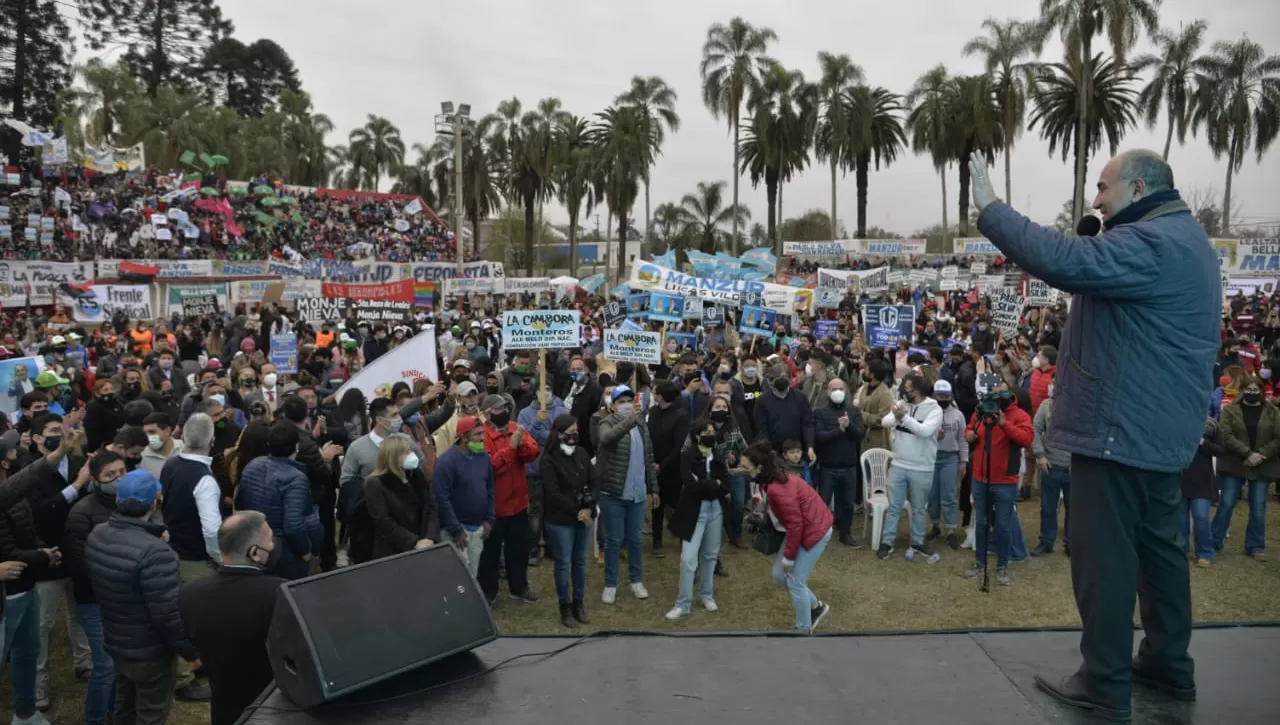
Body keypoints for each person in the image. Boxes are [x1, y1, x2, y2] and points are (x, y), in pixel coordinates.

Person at [971, 148, 1218, 719]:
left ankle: (1104, 682)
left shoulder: (1150, 244)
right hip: (1158, 434)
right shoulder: (1188, 241)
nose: (1096, 200)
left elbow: (1065, 259)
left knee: (1103, 558)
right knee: (1160, 554)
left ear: (1136, 188)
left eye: (1103, 189)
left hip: (1119, 430)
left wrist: (992, 210)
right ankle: (1166, 666)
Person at [85, 469, 201, 725]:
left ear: (117, 501)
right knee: (151, 714)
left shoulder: (97, 535)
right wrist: (191, 653)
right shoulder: (157, 553)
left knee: (124, 708)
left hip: (116, 642)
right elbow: (167, 614)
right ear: (155, 502)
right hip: (150, 653)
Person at [178, 512, 286, 725]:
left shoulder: (190, 593)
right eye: (270, 540)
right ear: (254, 552)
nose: (274, 545)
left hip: (224, 707)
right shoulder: (281, 594)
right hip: (271, 708)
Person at [62, 450, 137, 725]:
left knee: (119, 664)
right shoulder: (82, 513)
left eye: (122, 472)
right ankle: (95, 718)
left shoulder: (129, 503)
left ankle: (113, 712)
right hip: (94, 602)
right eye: (110, 475)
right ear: (94, 479)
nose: (118, 478)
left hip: (123, 600)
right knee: (105, 665)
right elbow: (79, 565)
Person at [158, 412, 222, 701]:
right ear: (212, 440)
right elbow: (211, 529)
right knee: (194, 617)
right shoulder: (204, 479)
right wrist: (220, 557)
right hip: (195, 556)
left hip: (174, 548)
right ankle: (185, 678)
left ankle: (193, 667)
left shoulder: (172, 464)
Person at [740, 443, 832, 634]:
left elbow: (796, 525)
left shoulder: (777, 488)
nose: (745, 471)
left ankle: (803, 630)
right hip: (804, 528)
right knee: (779, 574)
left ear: (760, 467)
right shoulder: (773, 478)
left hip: (815, 531)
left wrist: (789, 557)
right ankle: (816, 607)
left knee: (795, 579)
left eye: (747, 467)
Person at [234, 424, 324, 579]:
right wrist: (306, 551)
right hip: (284, 551)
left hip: (254, 544)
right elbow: (294, 525)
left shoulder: (252, 465)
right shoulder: (296, 478)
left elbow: (240, 503)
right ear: (296, 448)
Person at [595, 385, 658, 604]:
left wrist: (653, 488)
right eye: (621, 401)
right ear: (612, 406)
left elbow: (648, 458)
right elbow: (607, 439)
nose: (626, 404)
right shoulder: (605, 423)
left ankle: (636, 580)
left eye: (629, 400)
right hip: (613, 492)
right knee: (613, 540)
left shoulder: (641, 426)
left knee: (635, 540)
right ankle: (611, 584)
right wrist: (629, 420)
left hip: (637, 493)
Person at [665, 418, 729, 621]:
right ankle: (683, 603)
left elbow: (726, 484)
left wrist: (706, 482)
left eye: (712, 431)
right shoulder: (687, 456)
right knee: (688, 559)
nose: (712, 434)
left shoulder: (718, 455)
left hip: (715, 509)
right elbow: (689, 485)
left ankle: (706, 595)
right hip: (695, 510)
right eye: (707, 431)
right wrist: (713, 483)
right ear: (697, 436)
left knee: (710, 555)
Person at [878, 373, 943, 561]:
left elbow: (925, 431)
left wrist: (903, 418)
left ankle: (917, 541)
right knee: (894, 506)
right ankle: (887, 542)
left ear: (918, 390)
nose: (904, 390)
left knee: (919, 508)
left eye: (908, 387)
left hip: (923, 466)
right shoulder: (903, 404)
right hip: (899, 463)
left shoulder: (934, 409)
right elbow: (885, 422)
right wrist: (898, 414)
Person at [538, 414, 595, 628]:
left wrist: (589, 507)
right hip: (561, 519)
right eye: (570, 431)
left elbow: (594, 480)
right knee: (563, 563)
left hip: (583, 517)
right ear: (559, 433)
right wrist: (578, 511)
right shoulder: (549, 459)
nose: (574, 434)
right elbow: (553, 493)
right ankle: (565, 606)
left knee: (580, 561)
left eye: (576, 430)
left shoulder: (581, 454)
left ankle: (578, 603)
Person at [1213, 375, 1275, 561]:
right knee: (1227, 503)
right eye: (1248, 389)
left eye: (1256, 390)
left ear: (1262, 392)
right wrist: (1247, 453)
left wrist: (1261, 454)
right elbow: (1226, 434)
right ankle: (1215, 540)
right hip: (1236, 463)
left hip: (1262, 465)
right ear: (1242, 391)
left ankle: (1255, 546)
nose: (1252, 393)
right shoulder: (1231, 410)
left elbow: (1278, 437)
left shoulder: (1273, 412)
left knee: (1258, 507)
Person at [432, 416, 494, 577]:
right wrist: (456, 529)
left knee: (472, 575)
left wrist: (489, 519)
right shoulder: (446, 462)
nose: (482, 438)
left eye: (483, 433)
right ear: (464, 437)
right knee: (457, 578)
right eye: (477, 434)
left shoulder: (484, 457)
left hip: (478, 528)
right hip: (457, 532)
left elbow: (490, 488)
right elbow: (442, 498)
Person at [363, 432, 440, 561]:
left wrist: (430, 536)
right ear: (393, 457)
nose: (411, 455)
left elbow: (431, 506)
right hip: (395, 551)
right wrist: (414, 542)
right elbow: (383, 522)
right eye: (406, 452)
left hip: (426, 544)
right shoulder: (375, 484)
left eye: (410, 450)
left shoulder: (416, 475)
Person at [813, 377, 865, 548]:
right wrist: (838, 430)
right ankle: (819, 533)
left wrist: (849, 426)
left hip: (849, 465)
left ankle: (845, 532)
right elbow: (819, 436)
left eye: (841, 388)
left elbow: (859, 434)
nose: (837, 392)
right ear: (827, 392)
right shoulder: (820, 412)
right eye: (833, 389)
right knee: (824, 501)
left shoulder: (853, 411)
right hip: (828, 466)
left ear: (846, 391)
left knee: (848, 503)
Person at [647, 380, 688, 557]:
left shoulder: (681, 416)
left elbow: (679, 446)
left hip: (672, 469)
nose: (652, 394)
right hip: (654, 466)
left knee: (677, 505)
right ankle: (657, 541)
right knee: (657, 506)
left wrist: (662, 465)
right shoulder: (653, 412)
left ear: (661, 395)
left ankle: (683, 538)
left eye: (655, 391)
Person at [1031, 383, 1072, 557]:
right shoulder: (1046, 406)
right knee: (1048, 507)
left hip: (1074, 469)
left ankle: (1072, 544)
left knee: (1075, 509)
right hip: (1050, 465)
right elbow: (1035, 429)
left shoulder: (1081, 407)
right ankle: (1046, 542)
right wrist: (1040, 455)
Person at [927, 380, 968, 550]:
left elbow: (963, 439)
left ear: (950, 396)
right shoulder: (929, 412)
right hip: (931, 457)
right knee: (932, 495)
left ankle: (951, 529)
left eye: (945, 396)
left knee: (949, 495)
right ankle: (935, 525)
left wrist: (963, 461)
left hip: (950, 457)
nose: (942, 399)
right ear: (934, 396)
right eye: (939, 396)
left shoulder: (958, 415)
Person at [1182, 417, 1225, 567]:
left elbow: (1221, 450)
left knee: (1201, 517)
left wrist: (1202, 443)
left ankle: (1205, 552)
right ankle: (1182, 551)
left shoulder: (1211, 424)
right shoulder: (1176, 419)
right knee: (1181, 521)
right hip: (1179, 478)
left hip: (1202, 480)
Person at [753, 363, 815, 462]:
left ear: (790, 379)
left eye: (785, 378)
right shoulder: (762, 400)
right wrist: (767, 451)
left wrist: (810, 446)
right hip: (773, 452)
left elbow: (807, 424)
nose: (782, 380)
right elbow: (761, 429)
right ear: (771, 380)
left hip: (797, 453)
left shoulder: (801, 398)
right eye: (778, 378)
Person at [139, 412, 184, 478]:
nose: (148, 437)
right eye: (145, 433)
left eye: (152, 432)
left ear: (167, 431)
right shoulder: (141, 456)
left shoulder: (183, 448)